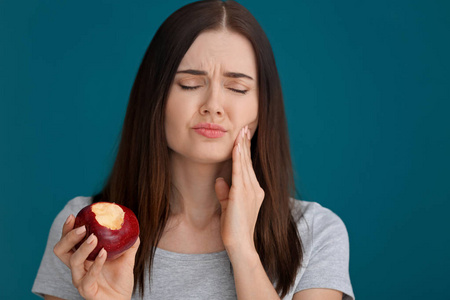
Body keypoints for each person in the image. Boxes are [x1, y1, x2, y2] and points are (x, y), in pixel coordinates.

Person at [32, 0, 354, 299]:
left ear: (261, 108)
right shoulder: (80, 233)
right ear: (155, 98)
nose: (213, 106)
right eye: (190, 84)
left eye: (237, 88)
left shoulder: (316, 234)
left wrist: (243, 250)